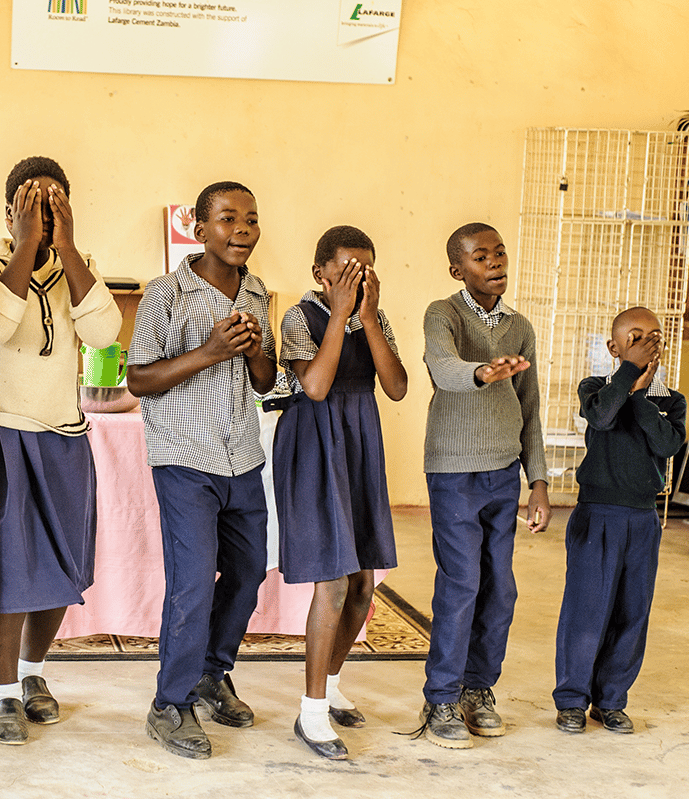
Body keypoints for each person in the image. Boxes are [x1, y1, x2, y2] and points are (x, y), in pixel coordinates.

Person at [0, 155, 121, 745]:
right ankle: (1, 694)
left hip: (62, 433)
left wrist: (68, 251)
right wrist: (25, 246)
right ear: (9, 212)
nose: (45, 216)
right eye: (33, 204)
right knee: (4, 565)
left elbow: (103, 333)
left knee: (59, 565)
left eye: (56, 205)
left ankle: (32, 676)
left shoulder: (82, 266)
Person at [128, 181, 277, 759]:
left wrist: (256, 349)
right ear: (198, 226)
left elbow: (264, 381)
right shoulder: (165, 294)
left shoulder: (258, 292)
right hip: (184, 458)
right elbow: (138, 379)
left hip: (241, 454)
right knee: (193, 581)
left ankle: (212, 673)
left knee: (248, 572)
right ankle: (170, 703)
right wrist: (211, 351)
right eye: (227, 218)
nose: (242, 229)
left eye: (251, 218)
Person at [274, 226, 407, 759]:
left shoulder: (373, 318)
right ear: (320, 274)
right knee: (331, 581)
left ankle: (328, 687)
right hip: (313, 445)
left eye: (367, 269)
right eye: (348, 269)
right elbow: (317, 385)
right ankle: (310, 714)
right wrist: (340, 314)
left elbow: (395, 387)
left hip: (358, 444)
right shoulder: (299, 318)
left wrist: (367, 316)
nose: (359, 278)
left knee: (362, 584)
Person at [418, 222, 551, 748]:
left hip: (503, 471)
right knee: (462, 582)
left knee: (501, 587)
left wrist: (537, 479)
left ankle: (478, 688)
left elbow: (532, 405)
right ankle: (442, 697)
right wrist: (482, 373)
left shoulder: (520, 327)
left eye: (499, 254)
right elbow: (443, 367)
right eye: (480, 257)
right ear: (458, 270)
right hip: (453, 469)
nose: (494, 263)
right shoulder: (441, 314)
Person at [552, 307, 685, 735]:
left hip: (642, 519)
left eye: (654, 337)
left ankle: (610, 700)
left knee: (632, 611)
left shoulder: (672, 400)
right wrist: (628, 379)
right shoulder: (596, 389)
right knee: (586, 610)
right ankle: (572, 699)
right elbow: (603, 418)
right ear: (614, 348)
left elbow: (666, 445)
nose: (647, 344)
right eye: (635, 337)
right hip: (598, 515)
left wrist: (642, 396)